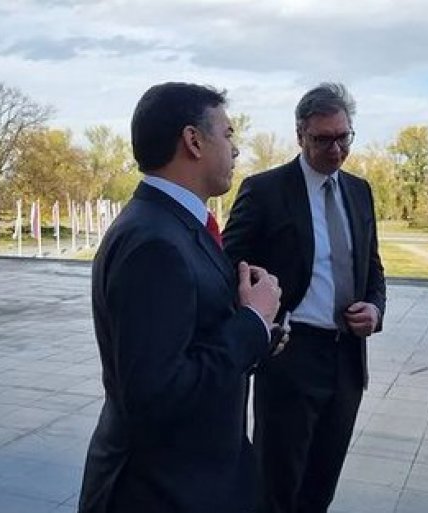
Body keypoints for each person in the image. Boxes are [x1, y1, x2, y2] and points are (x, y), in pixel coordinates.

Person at [78, 82, 282, 513]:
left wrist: (260, 324)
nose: (236, 149)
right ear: (193, 141)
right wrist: (251, 324)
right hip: (162, 491)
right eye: (227, 134)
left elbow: (191, 337)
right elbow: (156, 392)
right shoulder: (154, 242)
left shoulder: (173, 225)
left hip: (194, 479)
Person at [224, 82, 386, 513]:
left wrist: (375, 308)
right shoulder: (265, 190)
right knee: (276, 487)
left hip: (347, 360)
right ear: (300, 135)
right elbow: (229, 264)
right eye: (323, 139)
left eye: (344, 138)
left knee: (320, 487)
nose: (336, 150)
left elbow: (373, 268)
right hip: (290, 356)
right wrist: (257, 320)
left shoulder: (359, 191)